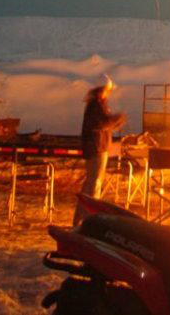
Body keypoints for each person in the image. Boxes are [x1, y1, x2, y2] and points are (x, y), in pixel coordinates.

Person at [73, 76, 125, 225]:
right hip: (97, 149)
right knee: (94, 185)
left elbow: (104, 125)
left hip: (98, 148)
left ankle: (81, 219)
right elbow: (102, 123)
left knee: (91, 184)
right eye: (107, 90)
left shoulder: (98, 104)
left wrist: (115, 122)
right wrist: (118, 118)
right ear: (102, 90)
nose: (109, 92)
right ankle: (88, 220)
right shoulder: (96, 105)